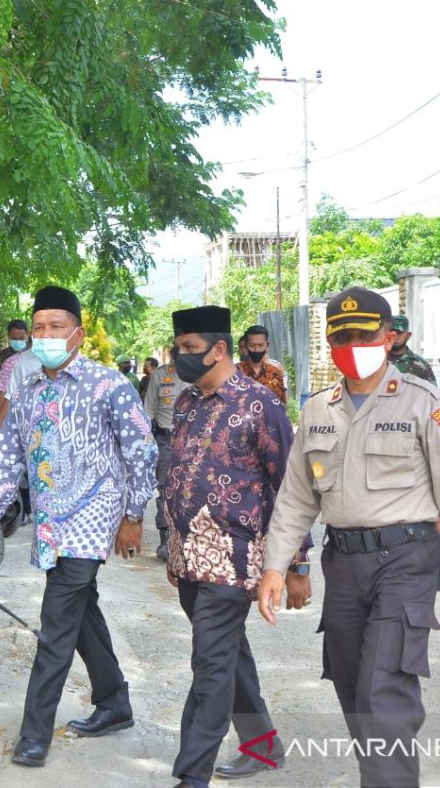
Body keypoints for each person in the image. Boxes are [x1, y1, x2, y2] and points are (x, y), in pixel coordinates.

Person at [256, 286, 440, 788]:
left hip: (407, 558)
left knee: (382, 691)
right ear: (329, 344)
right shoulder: (318, 410)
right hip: (344, 564)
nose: (352, 344)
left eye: (363, 334)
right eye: (341, 336)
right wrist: (275, 566)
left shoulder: (424, 402)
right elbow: (297, 499)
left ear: (389, 337)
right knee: (352, 688)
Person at [0, 286, 157, 770]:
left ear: (78, 333)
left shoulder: (108, 384)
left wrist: (134, 515)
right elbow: (8, 461)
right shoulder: (28, 392)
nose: (46, 335)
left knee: (57, 621)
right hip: (52, 520)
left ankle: (35, 733)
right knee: (80, 610)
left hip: (94, 515)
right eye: (39, 328)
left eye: (56, 327)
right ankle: (114, 702)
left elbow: (141, 451)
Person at [163, 306, 307, 788]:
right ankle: (263, 747)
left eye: (189, 350)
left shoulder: (260, 403)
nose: (180, 358)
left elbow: (292, 485)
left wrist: (296, 562)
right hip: (187, 557)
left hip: (233, 557)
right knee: (227, 655)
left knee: (210, 665)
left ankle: (192, 774)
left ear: (219, 349)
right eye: (178, 349)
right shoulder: (186, 403)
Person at [143, 353, 188, 559]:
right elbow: (149, 411)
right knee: (165, 488)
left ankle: (187, 538)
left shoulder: (199, 375)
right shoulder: (160, 376)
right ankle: (165, 537)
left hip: (192, 440)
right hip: (165, 440)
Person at [237, 325, 287, 405]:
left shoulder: (275, 373)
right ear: (246, 346)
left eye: (261, 345)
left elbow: (282, 405)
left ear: (267, 346)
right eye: (252, 345)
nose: (256, 350)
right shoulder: (235, 372)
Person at [387, 315, 436, 384]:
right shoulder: (378, 361)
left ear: (408, 335)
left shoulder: (420, 365)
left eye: (399, 333)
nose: (395, 336)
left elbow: (432, 392)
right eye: (392, 332)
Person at [0, 319, 28, 394]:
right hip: (7, 400)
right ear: (8, 336)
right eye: (14, 339)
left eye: (21, 338)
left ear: (27, 336)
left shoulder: (35, 355)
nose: (18, 341)